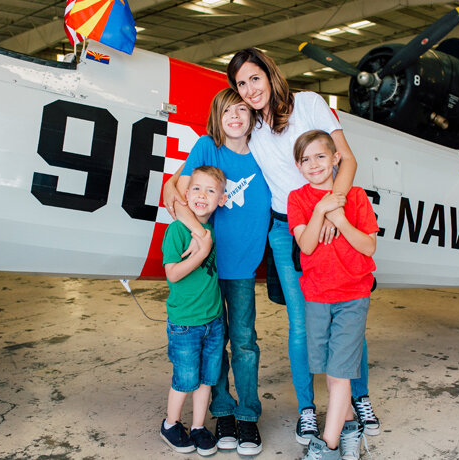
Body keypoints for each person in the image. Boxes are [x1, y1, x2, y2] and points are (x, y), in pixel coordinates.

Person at [230, 47, 379, 442]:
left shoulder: (309, 104)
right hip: (289, 230)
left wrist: (333, 209)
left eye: (254, 78)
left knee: (347, 313)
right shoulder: (250, 128)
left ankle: (357, 399)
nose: (249, 89)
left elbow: (346, 160)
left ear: (270, 73)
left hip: (334, 216)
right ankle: (308, 410)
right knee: (303, 324)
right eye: (241, 84)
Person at [162, 88, 270, 454]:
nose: (236, 117)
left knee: (244, 343)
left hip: (241, 265)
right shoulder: (209, 146)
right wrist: (199, 235)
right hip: (207, 266)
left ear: (253, 114)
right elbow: (174, 189)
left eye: (243, 109)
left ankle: (248, 415)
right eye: (228, 111)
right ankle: (222, 411)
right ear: (217, 116)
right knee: (213, 344)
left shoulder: (264, 153)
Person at [287, 130, 377, 460]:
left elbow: (368, 246)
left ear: (336, 158)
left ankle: (328, 445)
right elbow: (306, 245)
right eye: (305, 159)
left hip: (353, 295)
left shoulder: (356, 197)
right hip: (317, 296)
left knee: (339, 375)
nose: (314, 164)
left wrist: (339, 218)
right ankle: (350, 429)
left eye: (321, 156)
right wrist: (320, 210)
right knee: (329, 371)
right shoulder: (297, 199)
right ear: (298, 165)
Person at [159, 166, 228, 457]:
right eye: (197, 189)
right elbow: (173, 274)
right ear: (186, 194)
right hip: (185, 324)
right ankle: (171, 424)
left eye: (211, 191)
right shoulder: (177, 230)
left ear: (222, 199)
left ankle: (199, 426)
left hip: (212, 322)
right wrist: (200, 252)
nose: (202, 195)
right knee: (185, 379)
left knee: (207, 379)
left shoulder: (212, 230)